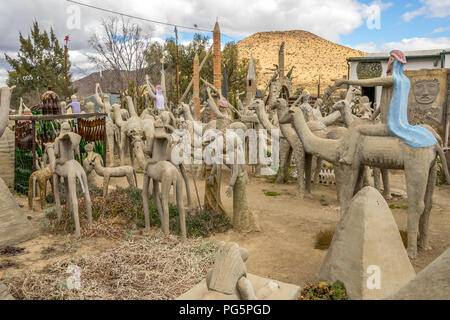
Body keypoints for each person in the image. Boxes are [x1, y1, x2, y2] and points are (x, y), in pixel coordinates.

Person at [334, 50, 437, 165]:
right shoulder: (406, 81)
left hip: (390, 127)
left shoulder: (392, 79)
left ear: (392, 60)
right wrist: (372, 118)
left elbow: (369, 82)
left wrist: (345, 81)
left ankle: (349, 157)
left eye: (390, 59)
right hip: (403, 124)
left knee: (357, 129)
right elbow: (384, 102)